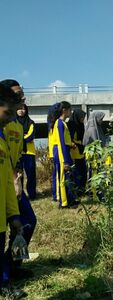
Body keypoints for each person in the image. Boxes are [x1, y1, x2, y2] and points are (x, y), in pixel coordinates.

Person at [1, 79, 36, 285]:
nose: (20, 98)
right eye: (16, 94)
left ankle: (11, 264)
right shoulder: (3, 120)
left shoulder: (17, 122)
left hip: (14, 180)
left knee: (27, 221)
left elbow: (18, 154)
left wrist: (18, 178)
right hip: (4, 182)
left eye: (22, 94)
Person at [0, 83, 24, 298]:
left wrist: (13, 214)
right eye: (7, 112)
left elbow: (7, 183)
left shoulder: (2, 141)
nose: (10, 117)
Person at [52, 101, 77, 208]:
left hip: (66, 152)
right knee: (63, 178)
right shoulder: (59, 123)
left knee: (68, 178)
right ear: (64, 110)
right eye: (70, 110)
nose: (71, 112)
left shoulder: (63, 123)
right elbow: (61, 142)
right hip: (62, 154)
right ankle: (64, 203)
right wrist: (65, 161)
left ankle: (70, 199)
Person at [16, 104, 36, 200]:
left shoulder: (31, 123)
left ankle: (32, 194)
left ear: (26, 110)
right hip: (18, 152)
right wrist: (23, 136)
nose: (21, 111)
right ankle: (20, 195)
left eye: (23, 109)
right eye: (19, 109)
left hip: (29, 153)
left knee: (31, 174)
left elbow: (30, 136)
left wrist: (20, 138)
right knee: (19, 175)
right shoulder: (13, 124)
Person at [67, 109, 87, 195]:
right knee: (76, 172)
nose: (83, 119)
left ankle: (82, 189)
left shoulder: (81, 125)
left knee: (83, 171)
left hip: (80, 150)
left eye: (83, 117)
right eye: (82, 117)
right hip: (74, 151)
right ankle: (77, 190)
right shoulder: (71, 124)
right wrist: (74, 144)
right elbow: (69, 138)